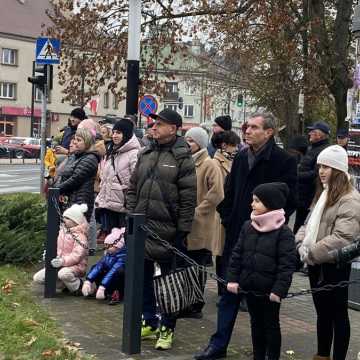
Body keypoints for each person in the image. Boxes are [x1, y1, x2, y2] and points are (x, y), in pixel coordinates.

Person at [195, 112, 297, 360]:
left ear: (269, 132)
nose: (247, 131)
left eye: (253, 127)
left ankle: (263, 351)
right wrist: (230, 219)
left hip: (267, 243)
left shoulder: (283, 161)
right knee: (228, 296)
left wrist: (271, 224)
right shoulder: (241, 157)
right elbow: (228, 193)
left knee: (263, 308)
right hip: (238, 237)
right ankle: (218, 345)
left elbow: (291, 199)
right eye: (246, 127)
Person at [126, 108, 196, 350]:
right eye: (153, 123)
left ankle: (167, 326)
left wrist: (182, 231)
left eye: (160, 124)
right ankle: (149, 320)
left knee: (169, 283)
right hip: (142, 228)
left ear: (173, 129)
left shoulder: (182, 157)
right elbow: (133, 187)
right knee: (142, 279)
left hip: (168, 231)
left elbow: (188, 198)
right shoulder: (145, 152)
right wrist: (131, 216)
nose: (153, 127)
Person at [296, 145, 360, 360]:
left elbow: (343, 238)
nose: (322, 171)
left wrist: (311, 252)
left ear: (339, 170)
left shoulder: (350, 199)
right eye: (320, 166)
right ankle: (322, 355)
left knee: (338, 315)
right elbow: (307, 222)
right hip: (316, 264)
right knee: (322, 314)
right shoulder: (323, 193)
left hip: (335, 266)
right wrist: (300, 244)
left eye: (327, 167)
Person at [227, 182, 297, 360]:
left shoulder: (284, 233)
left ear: (270, 204)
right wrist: (233, 279)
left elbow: (286, 265)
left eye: (257, 201)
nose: (252, 204)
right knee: (255, 324)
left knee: (271, 325)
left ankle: (272, 356)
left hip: (270, 291)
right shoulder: (248, 226)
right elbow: (237, 255)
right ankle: (258, 355)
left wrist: (278, 290)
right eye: (253, 200)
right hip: (250, 287)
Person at [184, 127, 224, 317]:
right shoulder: (186, 162)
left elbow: (216, 193)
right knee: (186, 263)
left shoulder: (209, 164)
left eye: (191, 141)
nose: (187, 144)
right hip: (186, 221)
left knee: (198, 264)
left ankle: (196, 304)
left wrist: (198, 211)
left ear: (200, 143)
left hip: (201, 223)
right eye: (186, 140)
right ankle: (185, 300)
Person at [96, 119, 141, 239]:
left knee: (121, 242)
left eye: (119, 133)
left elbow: (136, 180)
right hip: (110, 205)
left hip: (123, 206)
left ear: (126, 134)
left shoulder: (134, 153)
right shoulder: (114, 151)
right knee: (111, 241)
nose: (115, 135)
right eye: (114, 132)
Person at [33, 203, 89, 294]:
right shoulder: (61, 231)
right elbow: (55, 247)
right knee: (38, 278)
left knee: (63, 274)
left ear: (76, 221)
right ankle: (66, 285)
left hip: (75, 266)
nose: (64, 219)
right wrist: (48, 255)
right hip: (59, 263)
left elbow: (77, 256)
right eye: (64, 217)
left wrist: (63, 261)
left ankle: (78, 287)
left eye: (67, 218)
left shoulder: (80, 236)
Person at [212, 130, 241, 294]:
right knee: (222, 253)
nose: (236, 148)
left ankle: (224, 287)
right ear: (224, 145)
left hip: (228, 212)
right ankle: (222, 288)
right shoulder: (216, 163)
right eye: (233, 145)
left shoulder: (231, 161)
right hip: (220, 213)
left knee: (226, 251)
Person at [294, 121, 330, 234]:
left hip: (310, 197)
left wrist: (296, 175)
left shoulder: (323, 151)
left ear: (319, 135)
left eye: (312, 131)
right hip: (302, 195)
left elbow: (316, 174)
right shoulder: (312, 148)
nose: (309, 133)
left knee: (302, 227)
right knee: (298, 225)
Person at [57, 128, 100, 222]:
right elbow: (64, 173)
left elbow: (75, 179)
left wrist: (56, 189)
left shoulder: (90, 158)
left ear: (87, 143)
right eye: (75, 139)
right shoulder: (76, 155)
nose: (75, 142)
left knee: (76, 233)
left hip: (79, 201)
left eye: (79, 140)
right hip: (69, 200)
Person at [82, 227, 126, 305]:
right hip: (109, 279)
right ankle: (103, 292)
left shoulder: (122, 256)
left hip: (117, 279)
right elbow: (99, 266)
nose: (106, 247)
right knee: (95, 267)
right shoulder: (108, 254)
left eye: (109, 245)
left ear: (117, 246)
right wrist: (88, 281)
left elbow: (113, 270)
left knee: (119, 272)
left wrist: (103, 286)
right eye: (105, 245)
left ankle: (117, 294)